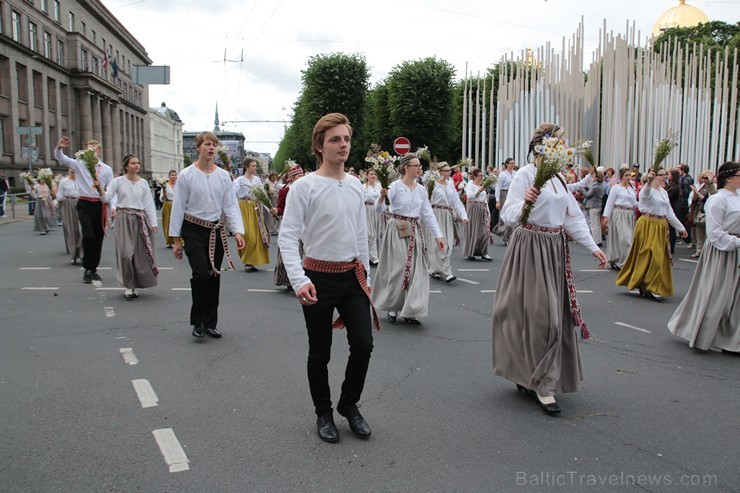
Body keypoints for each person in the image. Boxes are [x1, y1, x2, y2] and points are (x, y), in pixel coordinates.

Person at [492, 123, 608, 415]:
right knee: (538, 317)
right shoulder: (526, 174)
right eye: (560, 143)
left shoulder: (558, 177)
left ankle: (541, 381)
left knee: (556, 317)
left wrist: (593, 247)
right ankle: (538, 381)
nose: (565, 149)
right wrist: (525, 204)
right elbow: (508, 215)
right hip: (529, 246)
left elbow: (571, 218)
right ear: (544, 147)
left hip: (554, 249)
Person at [278, 113, 377, 443]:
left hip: (352, 277)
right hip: (317, 276)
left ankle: (348, 405)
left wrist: (366, 273)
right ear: (319, 146)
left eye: (346, 139)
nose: (343, 145)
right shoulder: (303, 187)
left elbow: (360, 234)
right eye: (335, 139)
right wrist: (298, 280)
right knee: (320, 352)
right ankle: (323, 413)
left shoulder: (355, 185)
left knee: (363, 344)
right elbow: (288, 236)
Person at [169, 132, 245, 338]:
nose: (211, 148)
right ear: (199, 148)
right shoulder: (186, 175)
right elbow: (178, 207)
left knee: (213, 276)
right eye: (207, 144)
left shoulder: (223, 176)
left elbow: (230, 205)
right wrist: (176, 240)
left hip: (216, 230)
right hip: (193, 229)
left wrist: (237, 231)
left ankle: (210, 323)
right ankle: (197, 321)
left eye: (214, 145)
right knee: (201, 274)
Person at [667, 161, 739, 353]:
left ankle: (732, 340)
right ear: (730, 177)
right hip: (721, 252)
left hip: (737, 249)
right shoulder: (718, 200)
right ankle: (700, 332)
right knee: (716, 294)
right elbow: (715, 234)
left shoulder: (738, 197)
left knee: (736, 297)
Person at [373, 153, 445, 325]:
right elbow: (379, 209)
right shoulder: (395, 186)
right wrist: (382, 197)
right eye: (416, 165)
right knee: (399, 268)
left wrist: (438, 235)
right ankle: (393, 305)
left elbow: (427, 214)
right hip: (397, 228)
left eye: (420, 165)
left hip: (414, 230)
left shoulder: (420, 190)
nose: (420, 168)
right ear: (406, 168)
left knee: (416, 270)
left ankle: (411, 309)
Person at [616, 168, 688, 300]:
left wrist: (680, 227)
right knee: (650, 253)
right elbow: (645, 195)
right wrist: (648, 182)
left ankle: (651, 285)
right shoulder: (646, 190)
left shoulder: (664, 193)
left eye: (665, 175)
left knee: (659, 256)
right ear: (654, 177)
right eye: (661, 175)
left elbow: (669, 212)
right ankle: (647, 284)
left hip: (660, 225)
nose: (664, 177)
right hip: (647, 224)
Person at [54, 137, 114, 283]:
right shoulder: (79, 165)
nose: (91, 152)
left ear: (99, 151)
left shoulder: (106, 169)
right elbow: (61, 158)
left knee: (98, 238)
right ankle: (87, 267)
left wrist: (113, 207)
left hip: (99, 205)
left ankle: (94, 268)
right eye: (88, 149)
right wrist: (59, 147)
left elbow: (111, 189)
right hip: (84, 203)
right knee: (88, 235)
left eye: (94, 150)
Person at [99, 155, 158, 299]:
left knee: (138, 255)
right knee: (126, 253)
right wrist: (99, 189)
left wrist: (153, 223)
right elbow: (107, 198)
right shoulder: (117, 182)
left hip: (139, 218)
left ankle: (135, 284)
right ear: (126, 166)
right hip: (123, 218)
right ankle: (128, 284)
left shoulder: (143, 183)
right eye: (133, 163)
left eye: (138, 163)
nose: (137, 165)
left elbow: (149, 204)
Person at [426, 162, 468, 283]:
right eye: (445, 170)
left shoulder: (450, 185)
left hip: (447, 215)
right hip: (435, 214)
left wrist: (463, 216)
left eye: (448, 170)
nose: (448, 172)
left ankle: (443, 270)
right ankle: (438, 270)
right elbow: (426, 201)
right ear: (439, 172)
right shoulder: (432, 184)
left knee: (449, 243)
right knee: (436, 244)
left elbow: (456, 202)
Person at [233, 158, 270, 272]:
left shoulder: (257, 180)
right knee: (248, 235)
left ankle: (251, 262)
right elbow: (232, 193)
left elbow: (262, 195)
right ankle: (247, 261)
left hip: (255, 208)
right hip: (244, 208)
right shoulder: (239, 180)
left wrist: (269, 208)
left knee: (256, 236)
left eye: (255, 166)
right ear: (246, 167)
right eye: (253, 166)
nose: (255, 168)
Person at [273, 164, 304, 289]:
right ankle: (288, 280)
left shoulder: (306, 188)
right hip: (289, 224)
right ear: (291, 178)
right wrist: (276, 210)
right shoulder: (285, 190)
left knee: (300, 251)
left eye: (302, 175)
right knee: (290, 251)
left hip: (303, 224)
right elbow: (281, 208)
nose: (301, 178)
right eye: (298, 176)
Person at [602, 168, 637, 270]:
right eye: (626, 175)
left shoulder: (632, 189)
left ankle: (622, 260)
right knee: (624, 238)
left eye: (630, 175)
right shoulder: (616, 188)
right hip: (619, 213)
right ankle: (623, 262)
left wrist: (645, 207)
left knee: (629, 238)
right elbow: (610, 202)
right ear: (621, 176)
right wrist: (606, 216)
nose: (629, 177)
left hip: (629, 214)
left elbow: (634, 203)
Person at [464, 167, 494, 261]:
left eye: (482, 176)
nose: (482, 177)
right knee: (474, 231)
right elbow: (470, 196)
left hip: (482, 208)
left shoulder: (483, 185)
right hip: (474, 209)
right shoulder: (470, 184)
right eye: (480, 176)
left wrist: (488, 212)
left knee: (485, 232)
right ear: (475, 177)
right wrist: (479, 191)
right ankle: (471, 252)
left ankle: (484, 252)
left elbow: (485, 200)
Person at [687, 171, 717, 258]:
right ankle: (699, 250)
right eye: (703, 178)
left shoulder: (713, 186)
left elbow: (708, 199)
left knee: (707, 233)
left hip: (707, 212)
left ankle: (707, 251)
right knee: (699, 232)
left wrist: (696, 192)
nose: (704, 180)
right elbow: (695, 200)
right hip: (700, 211)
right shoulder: (702, 186)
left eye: (706, 178)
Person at [56, 168, 82, 264]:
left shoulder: (82, 179)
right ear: (68, 170)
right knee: (72, 230)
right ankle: (74, 255)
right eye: (71, 168)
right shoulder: (64, 182)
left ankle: (83, 253)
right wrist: (57, 198)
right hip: (68, 204)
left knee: (82, 229)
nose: (73, 170)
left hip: (81, 203)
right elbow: (60, 195)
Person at [493, 158, 516, 243]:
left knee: (512, 214)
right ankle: (503, 233)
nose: (512, 165)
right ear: (506, 164)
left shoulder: (515, 173)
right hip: (504, 194)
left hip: (512, 194)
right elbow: (498, 187)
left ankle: (509, 236)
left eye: (513, 163)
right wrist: (498, 200)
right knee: (505, 215)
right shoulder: (502, 175)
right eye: (511, 163)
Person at [363, 168, 382, 265]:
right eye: (371, 174)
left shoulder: (379, 186)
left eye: (375, 174)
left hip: (377, 210)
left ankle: (377, 255)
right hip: (367, 209)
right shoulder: (363, 187)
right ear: (367, 176)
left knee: (378, 233)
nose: (373, 176)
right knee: (370, 233)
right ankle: (372, 257)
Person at [584, 170, 606, 246]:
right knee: (597, 224)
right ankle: (598, 240)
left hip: (594, 206)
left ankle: (595, 241)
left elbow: (588, 195)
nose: (592, 178)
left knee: (594, 224)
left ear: (597, 178)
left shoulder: (595, 187)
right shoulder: (601, 186)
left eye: (593, 176)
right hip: (598, 205)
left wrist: (583, 190)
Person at [160, 170, 178, 248]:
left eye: (175, 175)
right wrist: (164, 195)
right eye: (172, 175)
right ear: (169, 176)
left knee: (178, 222)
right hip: (168, 204)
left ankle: (180, 240)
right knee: (168, 223)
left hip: (177, 205)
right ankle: (169, 241)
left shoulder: (179, 185)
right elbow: (161, 199)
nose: (174, 177)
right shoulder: (165, 186)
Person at [677, 164, 694, 245]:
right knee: (682, 219)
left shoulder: (686, 179)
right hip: (682, 202)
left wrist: (680, 194)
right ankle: (685, 237)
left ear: (683, 170)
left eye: (679, 169)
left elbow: (686, 192)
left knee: (683, 220)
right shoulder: (685, 178)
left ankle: (686, 238)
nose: (678, 171)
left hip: (683, 203)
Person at [666, 168, 681, 254]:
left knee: (671, 228)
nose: (667, 176)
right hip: (671, 207)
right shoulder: (671, 185)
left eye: (669, 174)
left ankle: (671, 247)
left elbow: (669, 197)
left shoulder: (675, 188)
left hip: (673, 208)